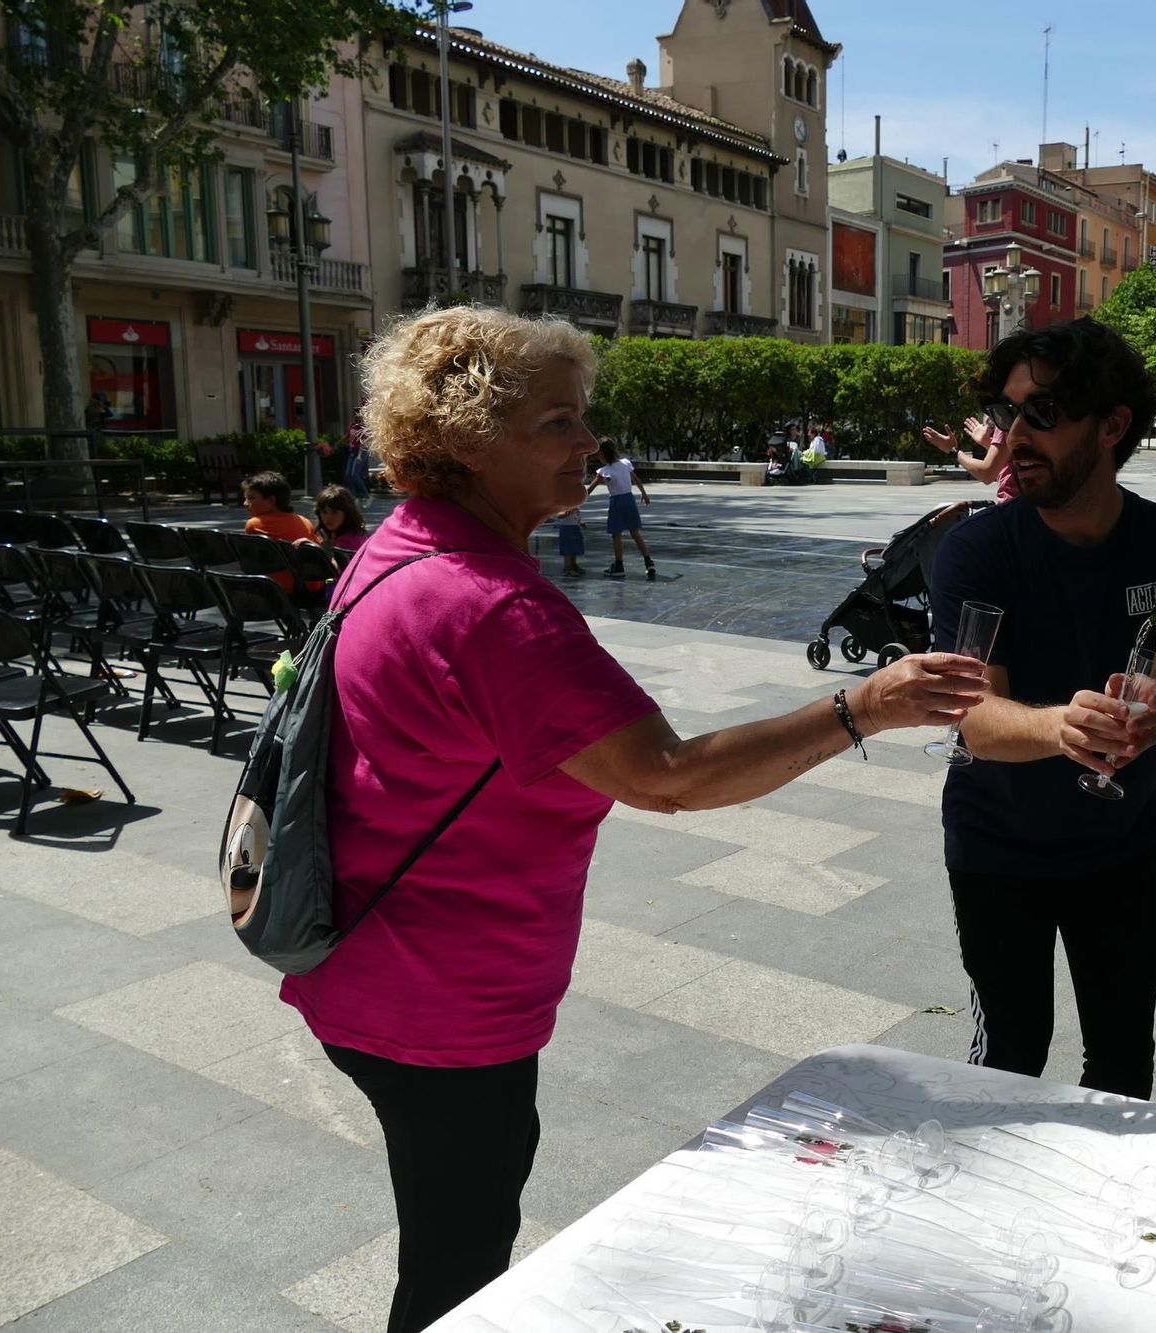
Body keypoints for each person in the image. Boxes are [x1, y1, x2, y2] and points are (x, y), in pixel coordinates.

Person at [282, 306, 986, 1333]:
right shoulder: (495, 609)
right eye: (558, 423)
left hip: (367, 957)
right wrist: (863, 704)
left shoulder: (397, 549)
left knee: (451, 1230)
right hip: (440, 998)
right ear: (471, 442)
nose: (589, 443)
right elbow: (664, 776)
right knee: (458, 1269)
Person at [929, 319, 1156, 1100]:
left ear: (1113, 425)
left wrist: (1152, 703)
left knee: (1123, 1067)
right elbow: (977, 718)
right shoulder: (976, 550)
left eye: (1043, 413)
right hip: (998, 847)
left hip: (1120, 851)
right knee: (1011, 1054)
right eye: (1007, 412)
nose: (1014, 434)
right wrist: (1063, 725)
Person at [584, 441, 654, 581]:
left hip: (616, 502)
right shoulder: (625, 463)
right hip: (629, 500)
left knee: (616, 534)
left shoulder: (604, 471)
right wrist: (644, 493)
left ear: (604, 454)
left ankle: (619, 565)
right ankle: (649, 562)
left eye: (598, 454)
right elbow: (636, 480)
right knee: (635, 533)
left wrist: (577, 501)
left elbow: (590, 489)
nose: (597, 457)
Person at [243, 470, 318, 594]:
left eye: (251, 498)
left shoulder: (254, 524)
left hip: (277, 590)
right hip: (312, 587)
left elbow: (250, 564)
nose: (245, 503)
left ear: (271, 501)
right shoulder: (305, 521)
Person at [923, 414, 1016, 502]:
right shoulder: (1018, 414)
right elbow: (1010, 457)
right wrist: (987, 442)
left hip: (1014, 509)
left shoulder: (1006, 418)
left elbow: (987, 473)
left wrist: (953, 451)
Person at [310, 484, 370, 552]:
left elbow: (332, 562)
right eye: (324, 512)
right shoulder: (337, 534)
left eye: (334, 513)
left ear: (347, 513)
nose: (328, 518)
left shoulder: (347, 541)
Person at [553, 506, 585, 578]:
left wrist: (580, 523)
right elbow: (559, 515)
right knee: (568, 549)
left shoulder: (576, 505)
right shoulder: (564, 505)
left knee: (575, 548)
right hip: (567, 529)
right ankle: (567, 567)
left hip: (575, 528)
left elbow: (576, 517)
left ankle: (573, 564)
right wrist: (570, 510)